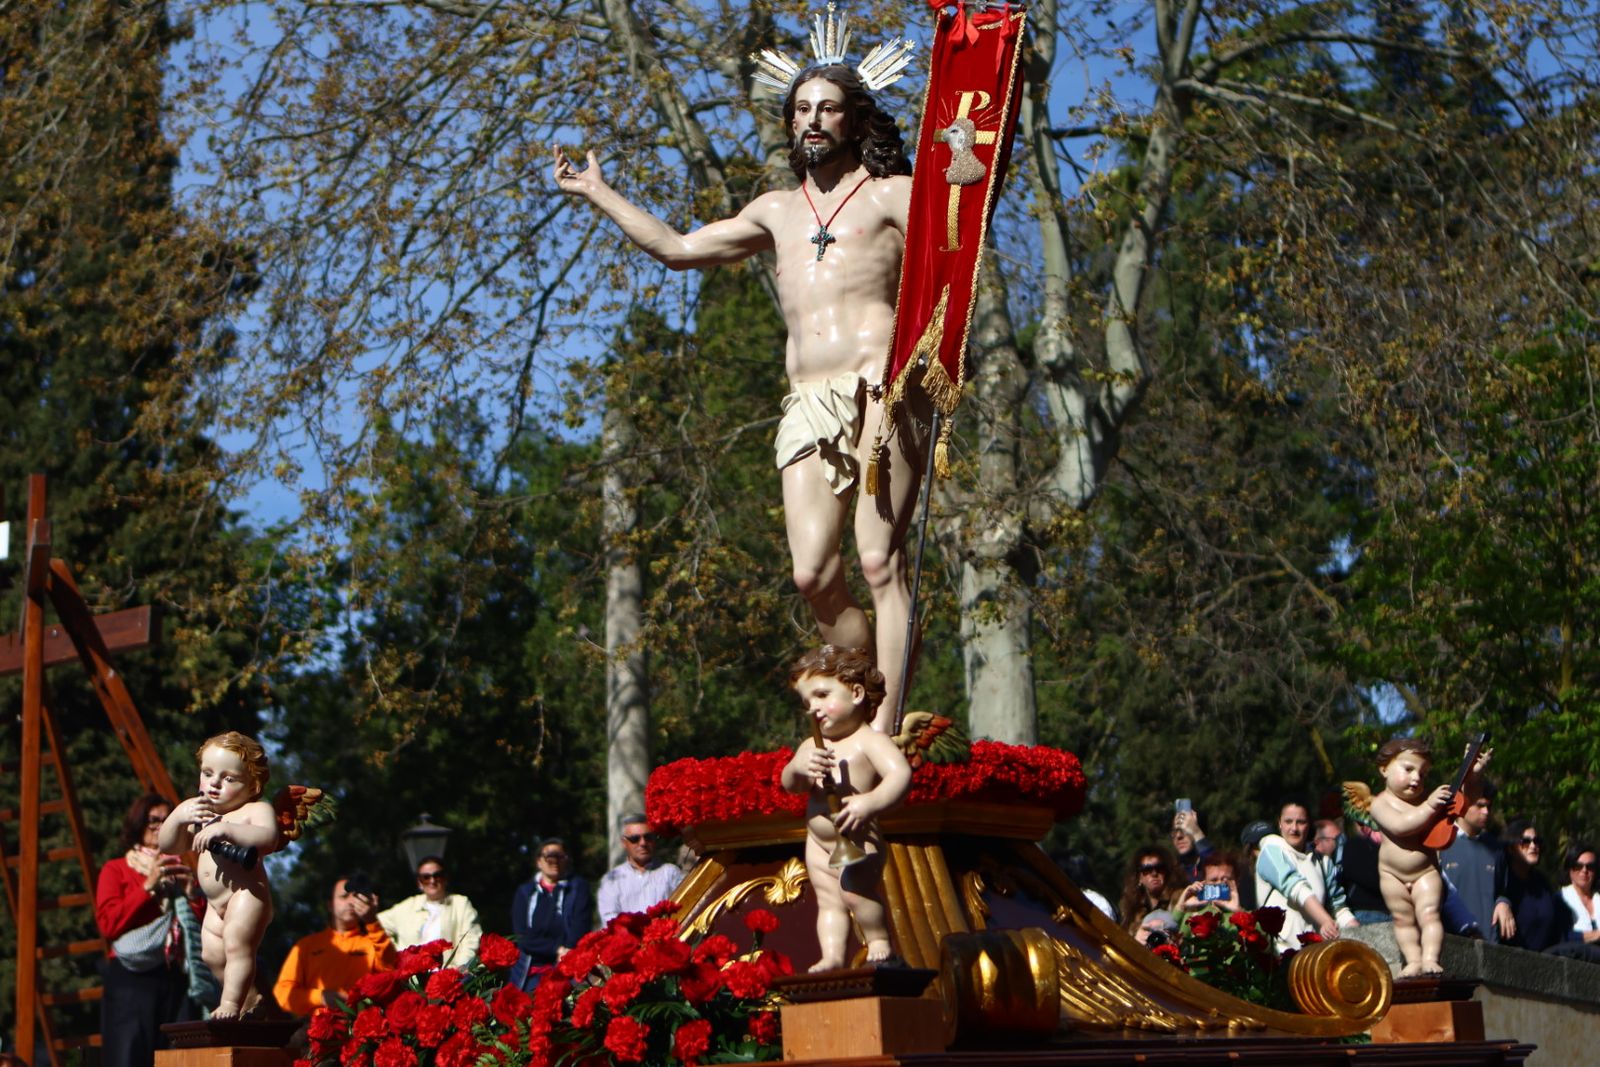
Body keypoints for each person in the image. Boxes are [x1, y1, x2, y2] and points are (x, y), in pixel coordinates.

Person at [554, 62, 924, 731]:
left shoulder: (889, 194)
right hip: (809, 399)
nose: (813, 118)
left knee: (877, 558)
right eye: (802, 108)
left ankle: (887, 729)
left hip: (880, 389)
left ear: (858, 120)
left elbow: (960, 222)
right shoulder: (776, 211)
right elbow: (677, 247)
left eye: (829, 107)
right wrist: (597, 192)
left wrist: (963, 156)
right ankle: (861, 681)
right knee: (812, 574)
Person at [780, 645, 912, 971]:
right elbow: (791, 784)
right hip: (819, 843)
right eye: (807, 702)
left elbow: (900, 776)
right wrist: (799, 767)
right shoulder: (811, 746)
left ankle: (879, 941)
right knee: (828, 901)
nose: (815, 709)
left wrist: (869, 802)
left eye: (823, 695)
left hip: (858, 835)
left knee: (854, 891)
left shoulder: (870, 740)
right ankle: (833, 956)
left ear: (855, 693)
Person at [159, 731, 280, 1018]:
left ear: (252, 786)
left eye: (229, 778)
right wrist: (177, 816)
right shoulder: (202, 813)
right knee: (212, 955)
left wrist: (227, 830)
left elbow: (268, 837)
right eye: (208, 773)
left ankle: (229, 1005)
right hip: (214, 903)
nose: (214, 783)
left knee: (237, 946)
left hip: (246, 895)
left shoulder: (255, 809)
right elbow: (169, 845)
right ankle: (249, 1000)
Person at [1365, 738, 1490, 976]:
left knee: (1429, 914)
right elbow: (1401, 825)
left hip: (1426, 871)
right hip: (1392, 875)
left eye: (1422, 774)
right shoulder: (1380, 803)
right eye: (1409, 769)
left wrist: (1473, 777)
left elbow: (1465, 804)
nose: (1416, 778)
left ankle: (1431, 958)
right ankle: (1412, 961)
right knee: (1403, 920)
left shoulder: (1427, 801)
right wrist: (1430, 807)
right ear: (1384, 770)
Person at [95, 793, 202, 1067]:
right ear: (137, 824)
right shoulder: (116, 869)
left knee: (178, 1059)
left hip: (175, 978)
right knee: (128, 1058)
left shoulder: (182, 869)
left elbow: (203, 930)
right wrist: (147, 887)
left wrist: (192, 895)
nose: (159, 826)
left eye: (167, 821)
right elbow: (109, 924)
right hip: (131, 981)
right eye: (152, 820)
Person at [273, 874, 397, 1014]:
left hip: (363, 1028)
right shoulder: (305, 946)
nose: (351, 901)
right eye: (344, 897)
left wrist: (372, 921)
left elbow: (390, 974)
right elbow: (282, 994)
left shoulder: (374, 940)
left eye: (356, 896)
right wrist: (320, 997)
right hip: (316, 1030)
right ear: (330, 905)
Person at [1254, 801, 1358, 951]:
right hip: (1279, 955)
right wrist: (1325, 921)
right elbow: (1297, 889)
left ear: (1309, 824)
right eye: (1288, 821)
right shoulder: (1271, 850)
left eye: (1301, 822)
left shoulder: (1323, 862)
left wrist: (1359, 932)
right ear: (1279, 824)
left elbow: (1338, 907)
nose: (1294, 828)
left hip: (1315, 954)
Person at [509, 838, 593, 990]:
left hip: (567, 964)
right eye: (549, 857)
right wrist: (556, 949)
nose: (554, 861)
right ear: (539, 862)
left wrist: (567, 952)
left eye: (559, 856)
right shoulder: (525, 893)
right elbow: (522, 937)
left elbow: (580, 926)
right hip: (529, 970)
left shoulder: (577, 888)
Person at [377, 856, 482, 968]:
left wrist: (458, 971)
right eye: (426, 877)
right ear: (419, 883)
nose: (432, 881)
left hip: (449, 976)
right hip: (412, 979)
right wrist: (396, 953)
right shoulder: (407, 906)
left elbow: (471, 940)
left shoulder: (460, 904)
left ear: (445, 878)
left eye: (437, 875)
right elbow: (376, 925)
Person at [597, 815, 684, 925]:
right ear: (624, 843)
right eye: (635, 839)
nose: (643, 843)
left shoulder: (670, 873)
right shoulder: (612, 879)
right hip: (627, 940)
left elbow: (683, 909)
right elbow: (609, 920)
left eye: (648, 837)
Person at [1501, 819, 1569, 952]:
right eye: (1525, 842)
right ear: (1511, 848)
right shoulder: (1503, 882)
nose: (1533, 846)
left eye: (1537, 841)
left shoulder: (1543, 884)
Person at [1117, 848, 1178, 937]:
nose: (1154, 873)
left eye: (1159, 868)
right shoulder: (1130, 909)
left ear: (1166, 872)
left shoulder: (1179, 898)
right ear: (1139, 877)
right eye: (1147, 869)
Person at [1176, 852, 1244, 915]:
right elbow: (1173, 924)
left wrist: (1238, 912)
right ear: (1204, 883)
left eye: (1225, 880)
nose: (1219, 884)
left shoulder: (1249, 916)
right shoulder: (1195, 917)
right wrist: (1182, 905)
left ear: (1236, 882)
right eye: (1214, 880)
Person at [1558, 841, 1600, 944]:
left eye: (1590, 867)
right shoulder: (1560, 899)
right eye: (1578, 866)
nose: (1584, 870)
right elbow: (1560, 935)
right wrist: (1595, 935)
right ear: (1569, 869)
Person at [1170, 808, 1215, 883]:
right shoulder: (1171, 872)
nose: (1178, 836)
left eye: (1185, 830)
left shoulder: (1211, 861)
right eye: (1175, 831)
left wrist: (1197, 833)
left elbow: (1215, 864)